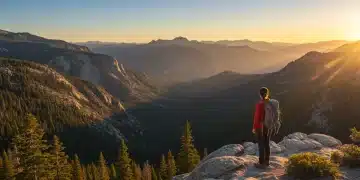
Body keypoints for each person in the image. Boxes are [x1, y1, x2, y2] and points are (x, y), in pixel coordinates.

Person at [252, 87, 271, 168]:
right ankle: (267, 161)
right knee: (267, 143)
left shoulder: (259, 104)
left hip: (260, 127)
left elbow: (257, 117)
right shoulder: (270, 103)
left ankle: (261, 162)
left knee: (261, 144)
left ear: (260, 94)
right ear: (267, 94)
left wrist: (254, 128)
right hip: (268, 126)